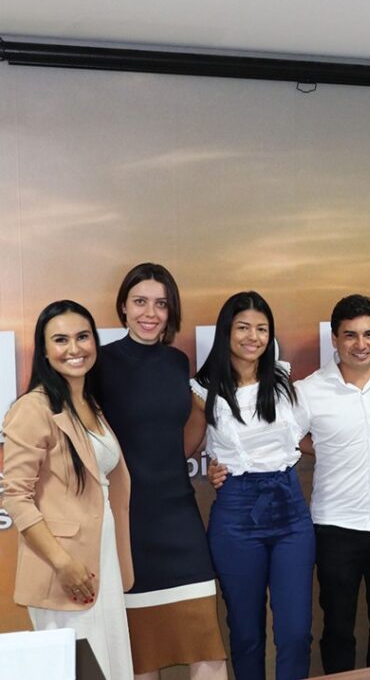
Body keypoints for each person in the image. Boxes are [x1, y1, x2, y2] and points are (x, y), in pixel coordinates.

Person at [98, 263, 227, 680]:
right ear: (123, 306)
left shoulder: (176, 362)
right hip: (130, 524)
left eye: (161, 304)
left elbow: (181, 432)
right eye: (140, 302)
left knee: (206, 642)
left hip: (180, 518)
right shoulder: (100, 364)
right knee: (144, 653)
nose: (150, 313)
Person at [2, 300, 134, 679]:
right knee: (79, 670)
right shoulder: (33, 408)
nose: (74, 348)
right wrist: (63, 563)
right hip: (64, 569)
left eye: (83, 337)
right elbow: (16, 496)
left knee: (109, 667)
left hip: (102, 559)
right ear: (44, 351)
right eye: (60, 340)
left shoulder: (89, 403)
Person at [191, 291, 314, 680]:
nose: (253, 337)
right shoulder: (203, 390)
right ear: (226, 331)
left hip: (291, 513)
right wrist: (212, 467)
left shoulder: (282, 380)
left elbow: (306, 440)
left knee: (296, 633)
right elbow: (183, 448)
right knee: (246, 634)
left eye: (262, 329)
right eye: (243, 327)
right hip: (236, 517)